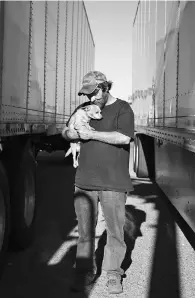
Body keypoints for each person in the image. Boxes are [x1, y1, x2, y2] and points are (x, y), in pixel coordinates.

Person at [62, 71, 134, 294]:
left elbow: (124, 137)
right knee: (84, 232)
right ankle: (85, 272)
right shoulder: (82, 109)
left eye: (94, 93)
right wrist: (72, 134)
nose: (91, 98)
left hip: (114, 183)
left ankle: (114, 274)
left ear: (105, 87)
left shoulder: (123, 108)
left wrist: (91, 135)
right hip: (84, 181)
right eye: (87, 94)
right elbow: (65, 132)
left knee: (114, 232)